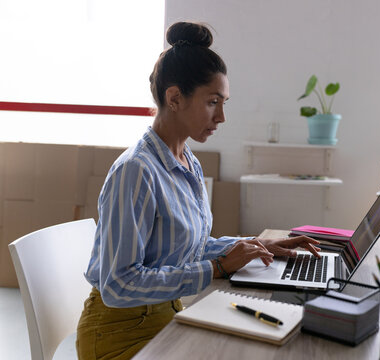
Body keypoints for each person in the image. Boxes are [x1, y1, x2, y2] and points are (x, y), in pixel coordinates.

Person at [76, 21, 321, 360]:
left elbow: (186, 246)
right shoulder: (136, 171)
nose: (221, 116)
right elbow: (120, 284)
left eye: (224, 102)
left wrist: (253, 245)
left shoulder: (187, 161)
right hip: (119, 333)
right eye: (212, 102)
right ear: (174, 98)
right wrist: (217, 269)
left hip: (164, 313)